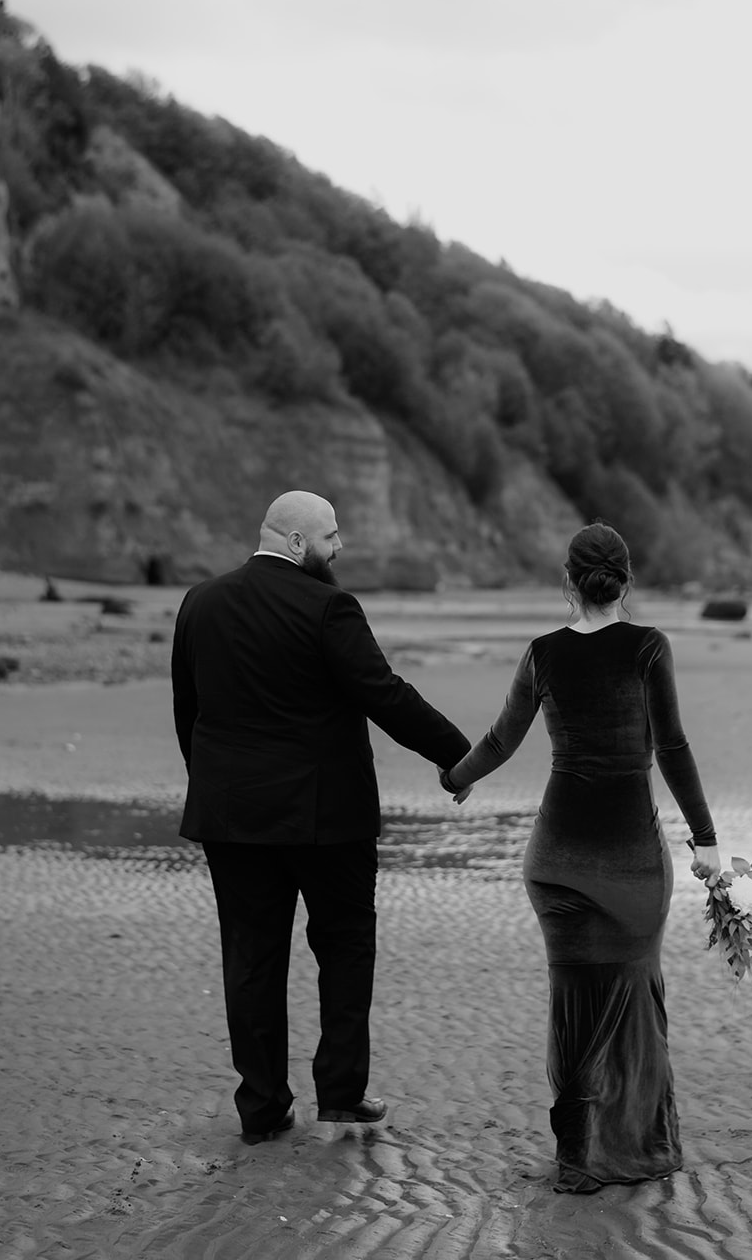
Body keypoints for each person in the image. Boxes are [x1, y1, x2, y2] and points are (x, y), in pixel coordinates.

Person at [172, 490, 471, 1145]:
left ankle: (260, 1107)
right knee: (343, 947)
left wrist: (216, 789)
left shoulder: (201, 602)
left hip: (232, 819)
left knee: (250, 959)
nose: (341, 549)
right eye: (332, 537)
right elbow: (382, 693)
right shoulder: (328, 605)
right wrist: (456, 756)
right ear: (299, 544)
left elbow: (187, 712)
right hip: (326, 819)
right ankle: (338, 1092)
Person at [440, 521, 721, 1195]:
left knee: (573, 1004)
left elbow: (500, 740)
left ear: (567, 581)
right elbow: (673, 747)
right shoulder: (647, 647)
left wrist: (456, 777)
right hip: (629, 858)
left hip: (557, 858)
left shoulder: (542, 653)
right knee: (631, 997)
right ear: (626, 581)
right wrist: (706, 839)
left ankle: (576, 1157)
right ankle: (632, 1148)